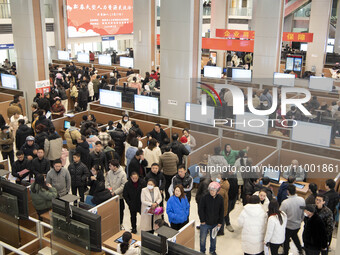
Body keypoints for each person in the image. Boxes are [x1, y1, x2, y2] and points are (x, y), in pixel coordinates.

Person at [199, 182, 224, 255]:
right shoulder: (204, 198)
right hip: (205, 223)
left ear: (217, 191)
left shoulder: (220, 199)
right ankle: (202, 251)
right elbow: (201, 210)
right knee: (202, 239)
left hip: (215, 223)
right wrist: (202, 220)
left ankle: (212, 251)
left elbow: (221, 211)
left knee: (213, 239)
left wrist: (220, 223)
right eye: (210, 190)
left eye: (213, 190)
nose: (212, 192)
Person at [280, 184, 305, 255]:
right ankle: (300, 250)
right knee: (294, 236)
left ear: (288, 192)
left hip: (288, 226)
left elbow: (281, 215)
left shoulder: (285, 203)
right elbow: (303, 213)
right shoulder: (302, 200)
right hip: (297, 225)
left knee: (286, 239)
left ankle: (285, 252)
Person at [105, 159, 127, 228]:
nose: (109, 167)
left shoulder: (122, 174)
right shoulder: (109, 172)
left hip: (119, 196)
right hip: (110, 195)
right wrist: (110, 190)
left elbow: (123, 185)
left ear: (115, 166)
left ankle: (120, 223)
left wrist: (115, 192)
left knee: (120, 211)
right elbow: (107, 182)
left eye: (110, 166)